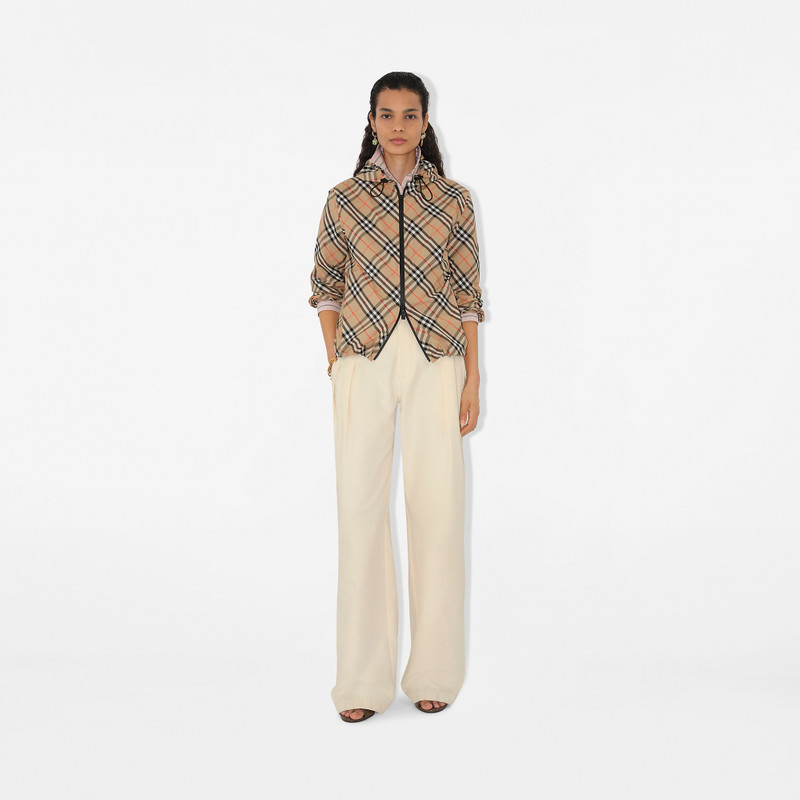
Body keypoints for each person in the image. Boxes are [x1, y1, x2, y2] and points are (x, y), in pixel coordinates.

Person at [308, 71, 486, 723]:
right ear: (372, 121)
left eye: (410, 114)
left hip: (437, 359)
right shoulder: (344, 199)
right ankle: (360, 683)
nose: (399, 126)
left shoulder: (454, 200)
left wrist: (472, 376)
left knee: (438, 510)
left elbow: (468, 295)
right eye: (387, 114)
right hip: (363, 359)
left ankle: (434, 672)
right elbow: (325, 284)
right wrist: (336, 361)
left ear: (426, 121)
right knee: (359, 513)